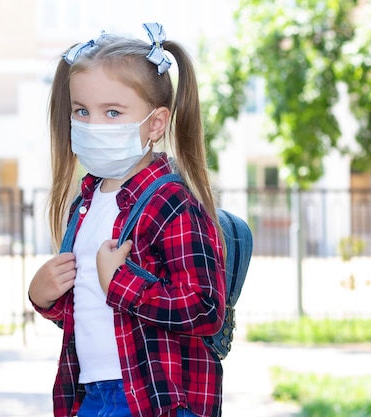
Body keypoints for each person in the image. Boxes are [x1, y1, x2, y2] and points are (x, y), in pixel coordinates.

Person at [28, 22, 226, 417]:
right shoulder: (84, 204)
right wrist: (44, 297)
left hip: (153, 398)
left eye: (112, 112)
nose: (92, 124)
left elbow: (205, 308)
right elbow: (93, 310)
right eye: (82, 111)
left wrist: (121, 282)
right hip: (91, 392)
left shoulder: (171, 202)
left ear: (155, 123)